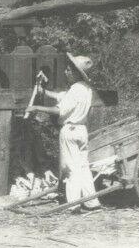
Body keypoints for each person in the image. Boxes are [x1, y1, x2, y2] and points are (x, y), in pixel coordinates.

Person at [25, 53, 101, 211]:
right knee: (83, 167)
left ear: (75, 73)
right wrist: (43, 92)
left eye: (68, 69)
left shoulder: (74, 90)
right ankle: (92, 202)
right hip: (82, 130)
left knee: (70, 168)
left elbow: (58, 110)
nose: (66, 72)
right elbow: (61, 97)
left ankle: (73, 205)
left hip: (70, 131)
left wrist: (36, 107)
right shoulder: (86, 89)